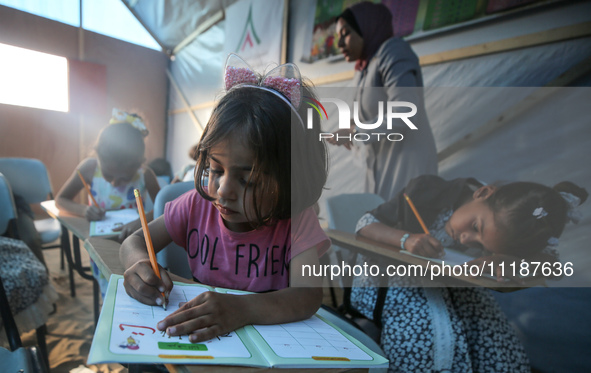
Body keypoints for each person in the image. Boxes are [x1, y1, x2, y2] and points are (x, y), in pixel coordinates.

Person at [120, 54, 330, 343]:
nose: (222, 190)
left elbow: (307, 295)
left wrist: (242, 308)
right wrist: (138, 265)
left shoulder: (297, 221)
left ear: (290, 180)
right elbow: (134, 242)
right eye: (214, 169)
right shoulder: (196, 204)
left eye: (248, 179)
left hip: (268, 346)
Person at [350, 174, 587, 372]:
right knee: (430, 329)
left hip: (445, 287)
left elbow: (552, 267)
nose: (465, 239)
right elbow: (364, 223)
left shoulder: (510, 223)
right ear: (482, 193)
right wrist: (405, 239)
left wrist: (507, 260)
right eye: (475, 227)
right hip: (385, 278)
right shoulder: (427, 190)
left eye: (481, 243)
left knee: (493, 333)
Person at [327, 1, 438, 201]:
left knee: (405, 227)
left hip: (407, 167)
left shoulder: (393, 51)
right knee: (378, 221)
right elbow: (372, 116)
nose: (340, 44)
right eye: (338, 37)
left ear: (367, 26)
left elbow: (404, 113)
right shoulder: (363, 69)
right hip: (380, 168)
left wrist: (354, 131)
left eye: (346, 33)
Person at [55, 109, 161, 243]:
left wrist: (143, 221)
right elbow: (61, 200)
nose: (114, 183)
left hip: (134, 242)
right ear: (98, 156)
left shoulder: (145, 175)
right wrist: (84, 210)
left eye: (125, 178)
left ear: (139, 164)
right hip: (99, 242)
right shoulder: (89, 168)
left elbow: (165, 207)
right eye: (109, 176)